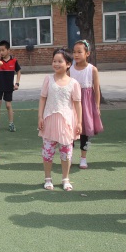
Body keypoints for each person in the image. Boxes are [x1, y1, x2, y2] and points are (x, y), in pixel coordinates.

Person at [38, 48, 82, 191]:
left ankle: (65, 179)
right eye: (54, 61)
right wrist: (40, 116)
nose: (56, 64)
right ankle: (48, 178)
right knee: (48, 152)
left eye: (60, 61)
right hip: (49, 121)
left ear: (68, 64)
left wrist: (79, 122)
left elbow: (77, 104)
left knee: (66, 153)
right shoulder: (48, 79)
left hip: (66, 123)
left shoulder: (73, 83)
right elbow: (43, 98)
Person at [70, 40, 103, 169]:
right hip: (73, 103)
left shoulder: (92, 69)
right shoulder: (70, 69)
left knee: (85, 131)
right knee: (71, 130)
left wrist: (97, 106)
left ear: (87, 53)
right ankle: (69, 155)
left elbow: (96, 89)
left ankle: (83, 157)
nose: (76, 55)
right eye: (74, 52)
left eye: (79, 52)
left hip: (87, 104)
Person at [0, 40, 21, 133]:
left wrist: (17, 83)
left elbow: (18, 71)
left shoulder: (14, 61)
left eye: (3, 50)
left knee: (8, 105)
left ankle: (11, 123)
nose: (1, 52)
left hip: (9, 87)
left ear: (8, 50)